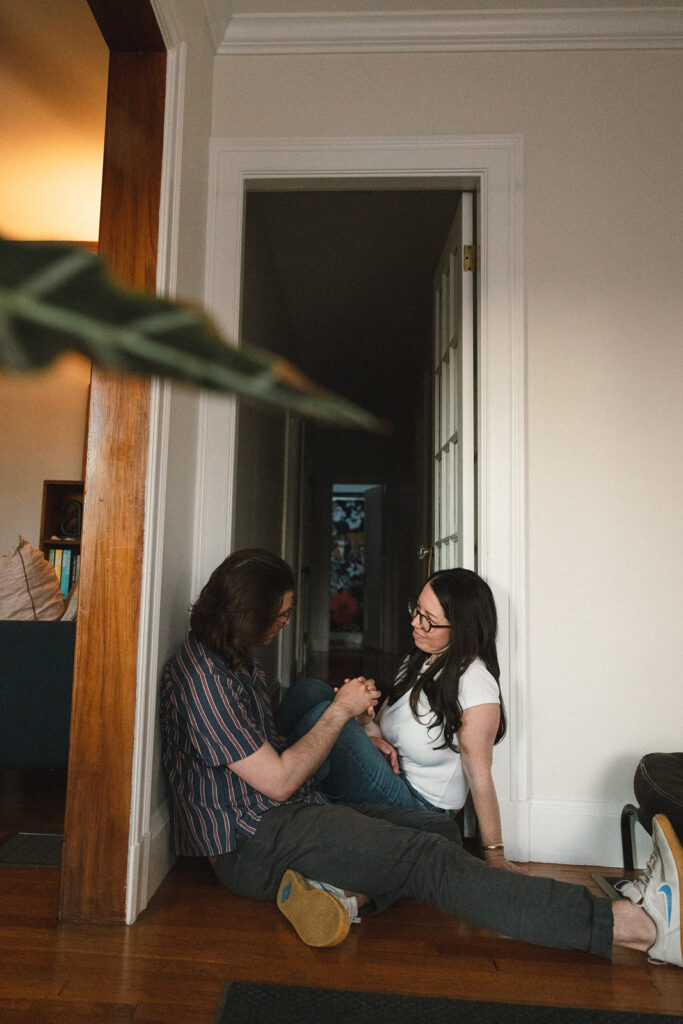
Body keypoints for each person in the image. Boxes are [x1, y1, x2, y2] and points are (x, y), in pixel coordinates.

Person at [159, 548, 682, 965]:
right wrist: (342, 714)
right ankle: (627, 926)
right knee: (425, 859)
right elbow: (276, 782)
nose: (284, 624)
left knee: (440, 832)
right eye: (280, 616)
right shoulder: (201, 681)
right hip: (252, 843)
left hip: (285, 815)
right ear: (248, 617)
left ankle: (342, 893)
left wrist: (356, 723)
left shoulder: (231, 660)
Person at [275, 568, 520, 871]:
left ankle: (276, 798)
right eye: (417, 610)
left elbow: (480, 775)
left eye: (428, 620)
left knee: (323, 719)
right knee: (309, 690)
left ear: (462, 628)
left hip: (421, 805)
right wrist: (364, 722)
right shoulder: (418, 659)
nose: (416, 623)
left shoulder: (474, 682)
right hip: (391, 775)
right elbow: (384, 732)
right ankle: (274, 772)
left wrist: (494, 853)